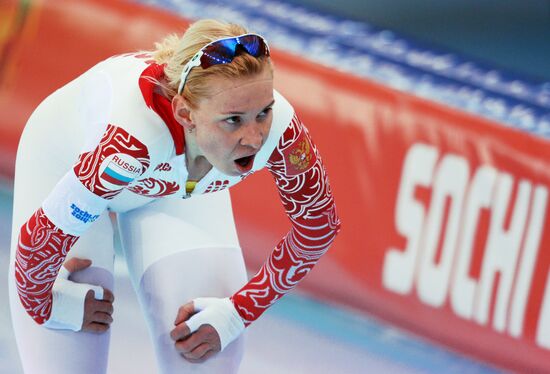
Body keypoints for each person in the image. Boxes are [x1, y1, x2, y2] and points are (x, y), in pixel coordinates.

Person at [8, 18, 340, 374]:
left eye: (263, 113)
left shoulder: (282, 131)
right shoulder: (131, 142)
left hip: (179, 188)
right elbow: (36, 243)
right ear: (185, 114)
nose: (255, 138)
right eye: (233, 120)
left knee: (208, 354)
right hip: (66, 164)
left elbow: (318, 227)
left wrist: (238, 312)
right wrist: (45, 303)